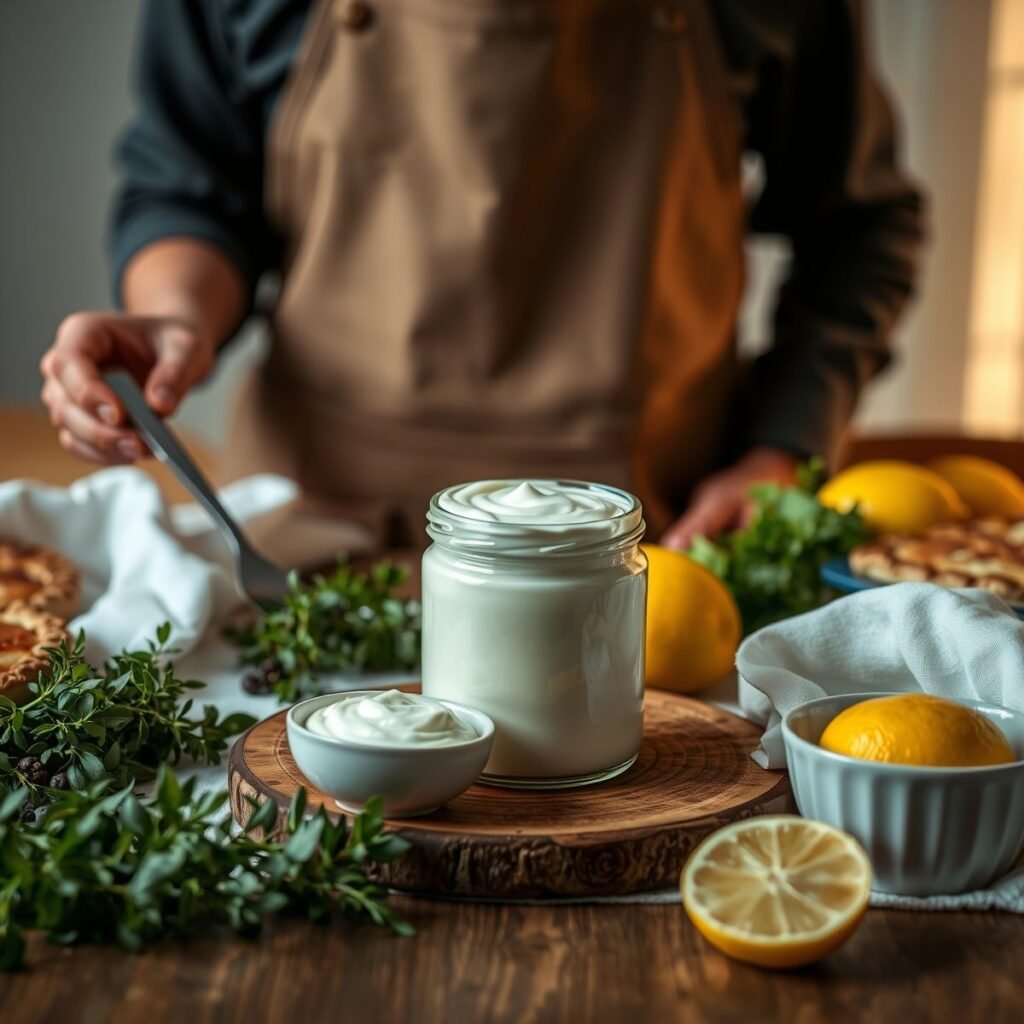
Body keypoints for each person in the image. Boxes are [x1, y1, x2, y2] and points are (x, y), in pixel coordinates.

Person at [39, 0, 923, 550]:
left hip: (655, 545)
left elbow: (857, 228)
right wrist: (172, 321)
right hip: (301, 534)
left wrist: (782, 451)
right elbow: (193, 183)